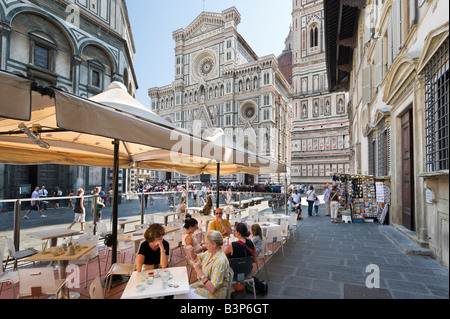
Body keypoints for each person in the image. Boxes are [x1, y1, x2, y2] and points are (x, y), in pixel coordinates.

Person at [176, 230, 230, 299]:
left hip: (215, 295)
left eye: (207, 244)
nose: (205, 246)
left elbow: (212, 289)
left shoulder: (220, 261)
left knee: (180, 295)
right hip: (203, 286)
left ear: (214, 245)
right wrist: (191, 251)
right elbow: (195, 258)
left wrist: (199, 271)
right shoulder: (210, 252)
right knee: (180, 292)